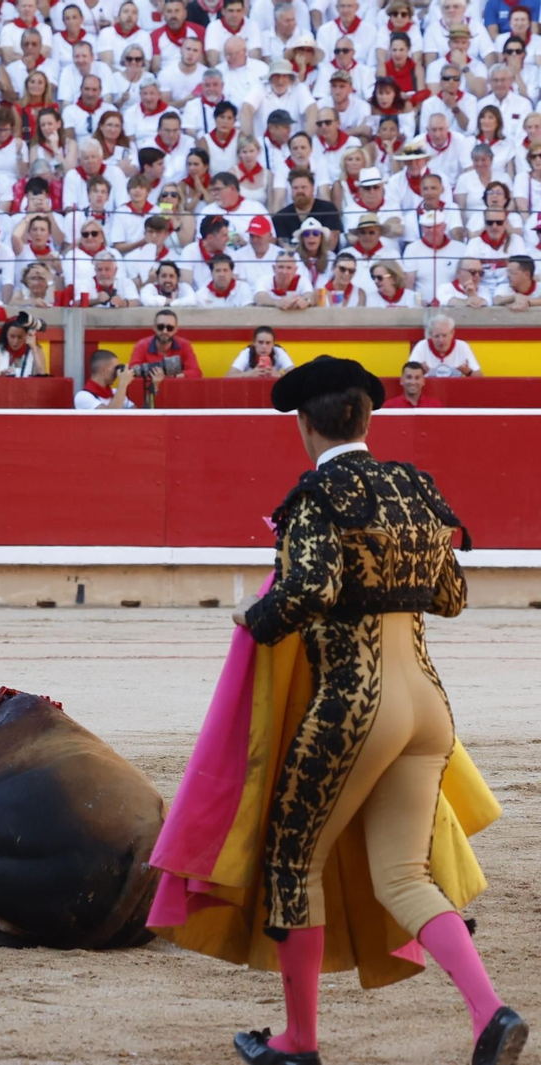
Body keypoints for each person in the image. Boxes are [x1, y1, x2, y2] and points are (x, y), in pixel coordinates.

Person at [158, 356, 525, 1065]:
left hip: (356, 705)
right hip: (428, 704)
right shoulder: (417, 489)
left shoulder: (315, 498)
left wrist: (253, 620)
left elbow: (310, 590)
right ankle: (490, 1013)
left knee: (293, 865)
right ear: (367, 418)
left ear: (305, 425)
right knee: (405, 873)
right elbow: (450, 597)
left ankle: (299, 1042)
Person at [128, 309, 202, 379]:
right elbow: (132, 371)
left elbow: (196, 372)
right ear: (154, 327)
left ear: (176, 330)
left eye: (169, 328)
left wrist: (173, 377)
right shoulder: (142, 345)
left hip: (175, 388)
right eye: (160, 327)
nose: (164, 331)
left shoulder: (184, 345)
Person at [409, 315, 483, 378]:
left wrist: (468, 372)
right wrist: (420, 372)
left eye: (444, 335)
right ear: (431, 335)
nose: (441, 340)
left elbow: (480, 379)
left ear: (452, 333)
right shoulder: (421, 346)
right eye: (436, 336)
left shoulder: (462, 346)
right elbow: (408, 375)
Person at [226, 326, 295, 378]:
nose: (264, 346)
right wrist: (249, 374)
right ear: (254, 342)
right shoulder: (247, 353)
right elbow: (228, 376)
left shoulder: (278, 352)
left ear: (273, 344)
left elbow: (296, 376)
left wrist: (278, 375)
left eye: (268, 343)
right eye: (260, 342)